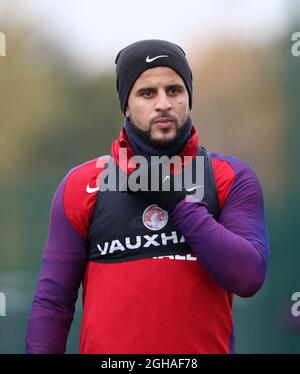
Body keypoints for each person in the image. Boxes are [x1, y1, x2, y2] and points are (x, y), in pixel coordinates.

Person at [26, 39, 269, 354]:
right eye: (146, 93)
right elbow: (53, 302)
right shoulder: (83, 184)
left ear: (189, 98)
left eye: (174, 90)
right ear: (126, 104)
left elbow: (248, 276)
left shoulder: (229, 178)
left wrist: (175, 200)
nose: (163, 103)